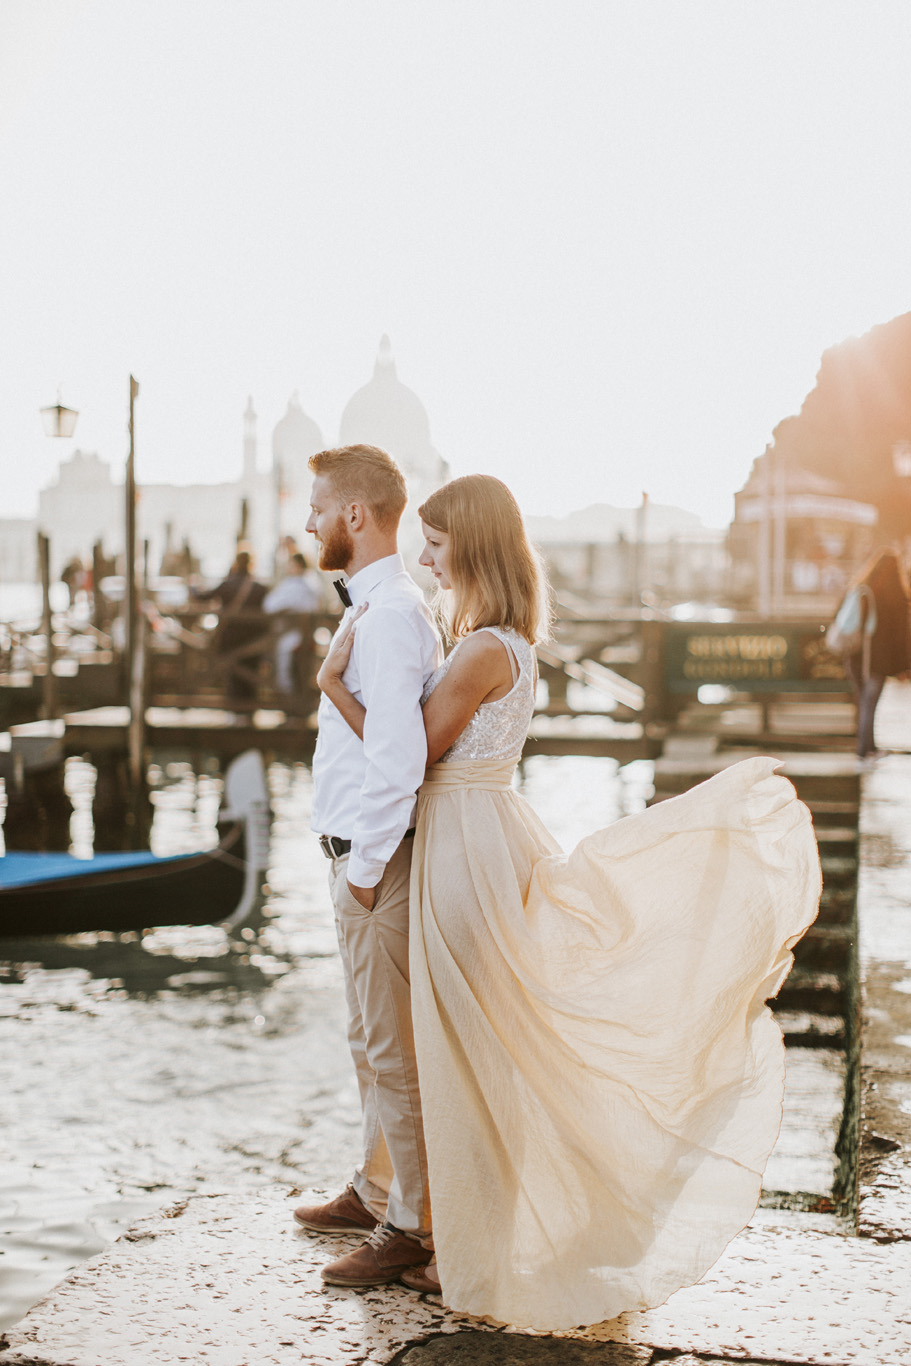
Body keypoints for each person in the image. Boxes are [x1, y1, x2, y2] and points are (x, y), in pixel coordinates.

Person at [317, 473, 822, 1331]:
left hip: (460, 843)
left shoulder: (481, 650)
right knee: (477, 1045)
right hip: (481, 830)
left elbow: (413, 754)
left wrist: (337, 686)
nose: (429, 563)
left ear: (472, 548)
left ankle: (452, 1240)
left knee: (465, 1047)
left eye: (437, 548)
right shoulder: (503, 642)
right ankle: (461, 1233)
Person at [293, 444, 443, 1288]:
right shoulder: (374, 608)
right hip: (352, 856)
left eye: (318, 506)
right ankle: (373, 1185)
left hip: (370, 865)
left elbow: (396, 761)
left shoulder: (387, 618)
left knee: (393, 1053)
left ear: (355, 514)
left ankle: (412, 1228)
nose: (309, 520)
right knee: (367, 1041)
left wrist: (363, 871)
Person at [838, 547, 911, 760]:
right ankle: (865, 749)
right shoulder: (895, 596)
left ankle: (868, 747)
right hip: (876, 660)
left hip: (854, 656)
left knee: (864, 701)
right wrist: (903, 666)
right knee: (870, 703)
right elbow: (900, 635)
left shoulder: (861, 587)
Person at [191, 550, 268, 703]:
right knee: (251, 672)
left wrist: (192, 586)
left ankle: (235, 708)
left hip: (230, 637)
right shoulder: (261, 588)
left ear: (236, 563)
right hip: (253, 639)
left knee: (232, 673)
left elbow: (202, 597)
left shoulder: (227, 585)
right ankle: (249, 708)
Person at [263, 552, 323, 694]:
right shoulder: (313, 583)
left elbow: (269, 606)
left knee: (284, 666)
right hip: (309, 633)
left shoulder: (293, 584)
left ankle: (287, 697)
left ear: (297, 566)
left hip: (291, 633)